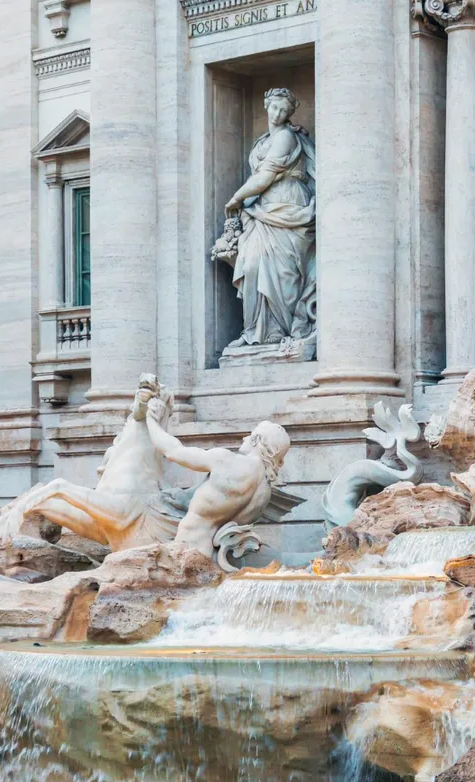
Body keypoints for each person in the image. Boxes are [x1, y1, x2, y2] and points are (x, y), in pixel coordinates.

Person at [223, 87, 316, 350]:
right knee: (252, 265)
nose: (277, 113)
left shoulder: (286, 137)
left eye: (284, 110)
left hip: (287, 204)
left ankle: (279, 329)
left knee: (284, 270)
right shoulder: (263, 140)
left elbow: (264, 177)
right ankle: (255, 329)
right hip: (262, 209)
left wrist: (236, 198)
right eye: (274, 107)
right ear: (265, 105)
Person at [144, 397, 291, 556]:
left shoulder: (229, 461)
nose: (244, 438)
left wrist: (151, 419)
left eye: (250, 435)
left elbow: (173, 451)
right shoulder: (264, 491)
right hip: (212, 556)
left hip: (186, 550)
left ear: (257, 440)